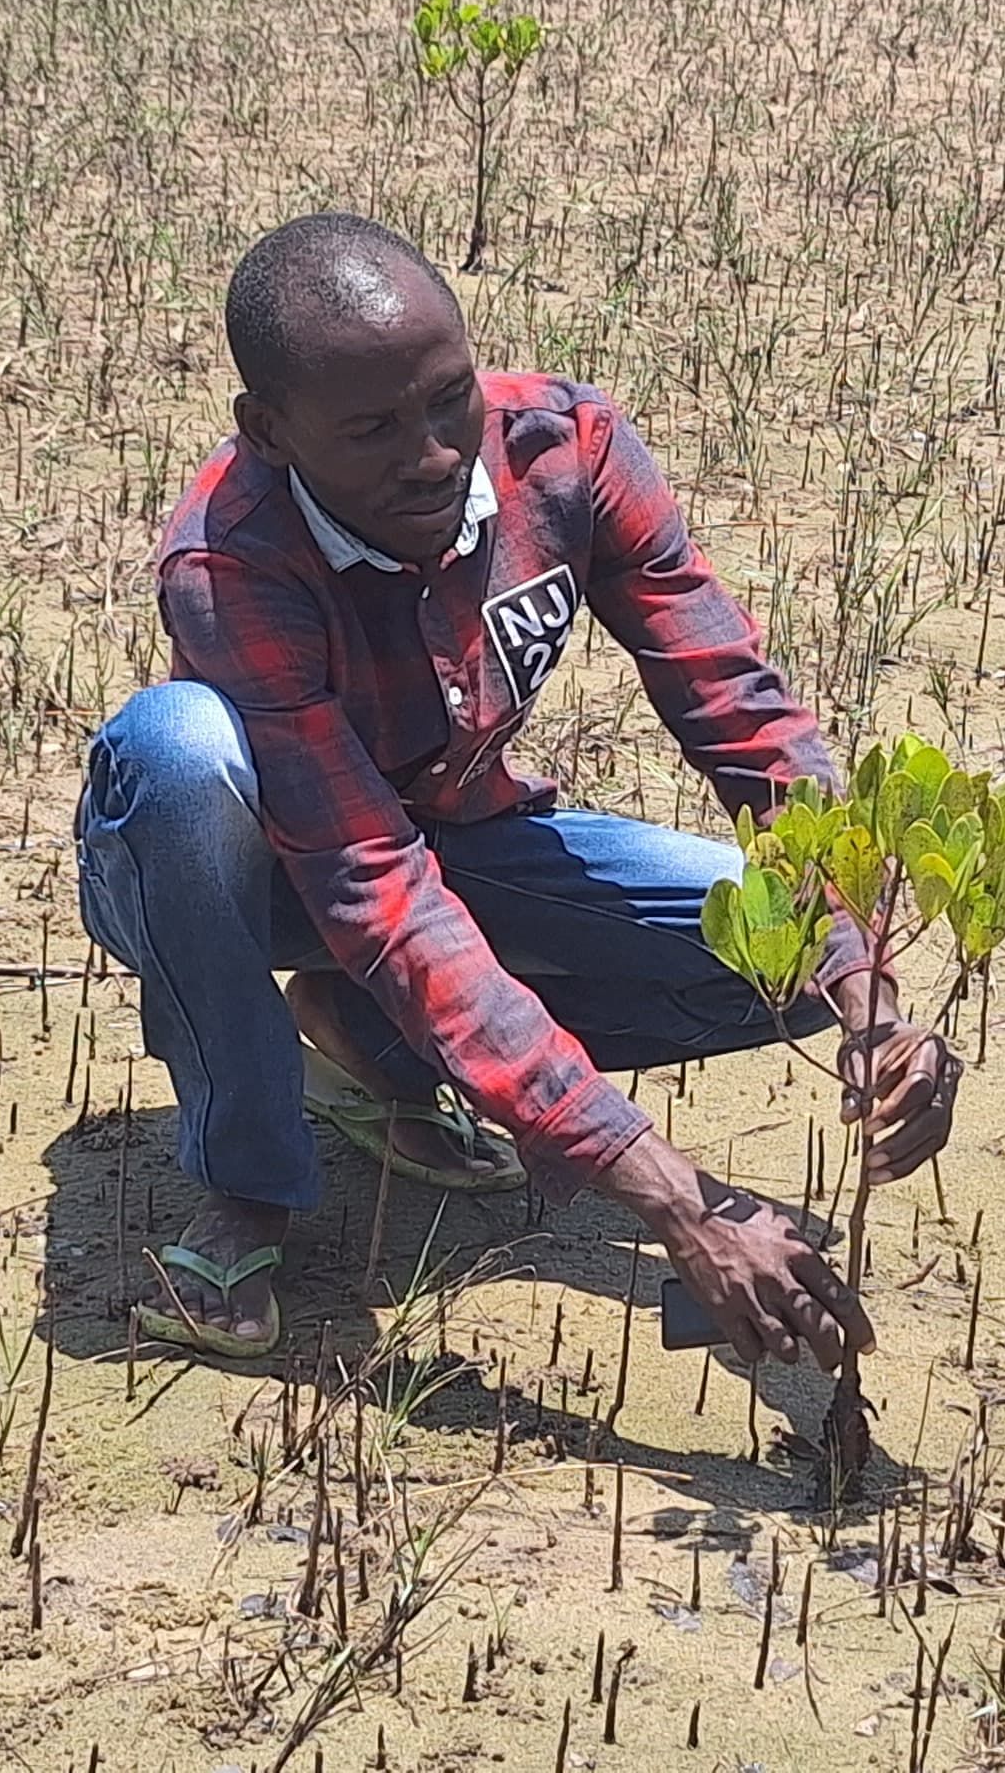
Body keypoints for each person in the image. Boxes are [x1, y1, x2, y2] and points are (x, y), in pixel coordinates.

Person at [72, 212, 957, 1367]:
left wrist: (866, 983)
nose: (433, 453)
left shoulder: (569, 452)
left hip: (466, 834)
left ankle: (374, 1049)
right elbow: (371, 885)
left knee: (779, 948)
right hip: (255, 872)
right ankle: (248, 1180)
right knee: (180, 750)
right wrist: (667, 1192)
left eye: (449, 399)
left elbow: (740, 711)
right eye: (373, 429)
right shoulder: (230, 561)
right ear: (271, 431)